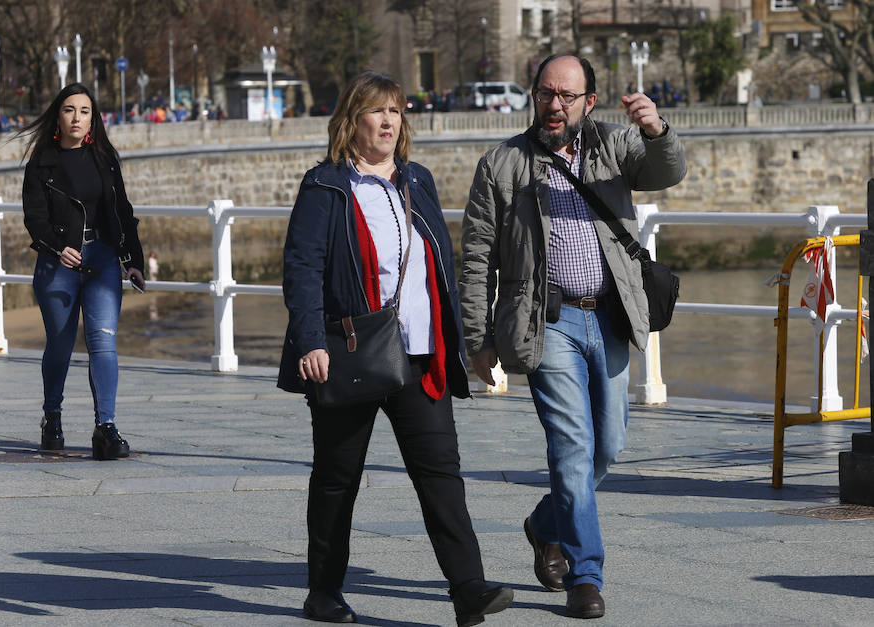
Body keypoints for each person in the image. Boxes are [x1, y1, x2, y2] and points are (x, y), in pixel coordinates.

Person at [278, 71, 513, 626]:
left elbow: (442, 272)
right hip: (351, 351)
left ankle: (468, 589)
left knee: (442, 476)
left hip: (421, 354)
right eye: (376, 111)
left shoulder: (418, 181)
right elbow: (303, 268)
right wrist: (311, 340)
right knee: (338, 478)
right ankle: (324, 591)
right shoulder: (326, 186)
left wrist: (467, 342)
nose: (388, 122)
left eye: (396, 112)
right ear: (351, 121)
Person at [459, 54, 686, 619]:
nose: (553, 105)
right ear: (533, 95)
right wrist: (477, 337)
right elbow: (476, 256)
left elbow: (668, 171)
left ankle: (544, 523)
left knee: (607, 445)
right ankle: (587, 575)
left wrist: (655, 129)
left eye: (566, 96)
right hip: (546, 323)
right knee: (572, 447)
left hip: (609, 316)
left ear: (589, 101)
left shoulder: (613, 147)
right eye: (544, 93)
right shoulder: (503, 162)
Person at [18, 83, 146, 461]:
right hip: (59, 265)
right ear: (58, 115)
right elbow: (34, 219)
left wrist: (132, 259)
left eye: (85, 111)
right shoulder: (41, 164)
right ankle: (52, 418)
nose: (77, 117)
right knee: (59, 345)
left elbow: (122, 211)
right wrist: (59, 248)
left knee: (103, 342)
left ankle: (105, 427)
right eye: (70, 110)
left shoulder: (105, 159)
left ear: (93, 118)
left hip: (103, 261)